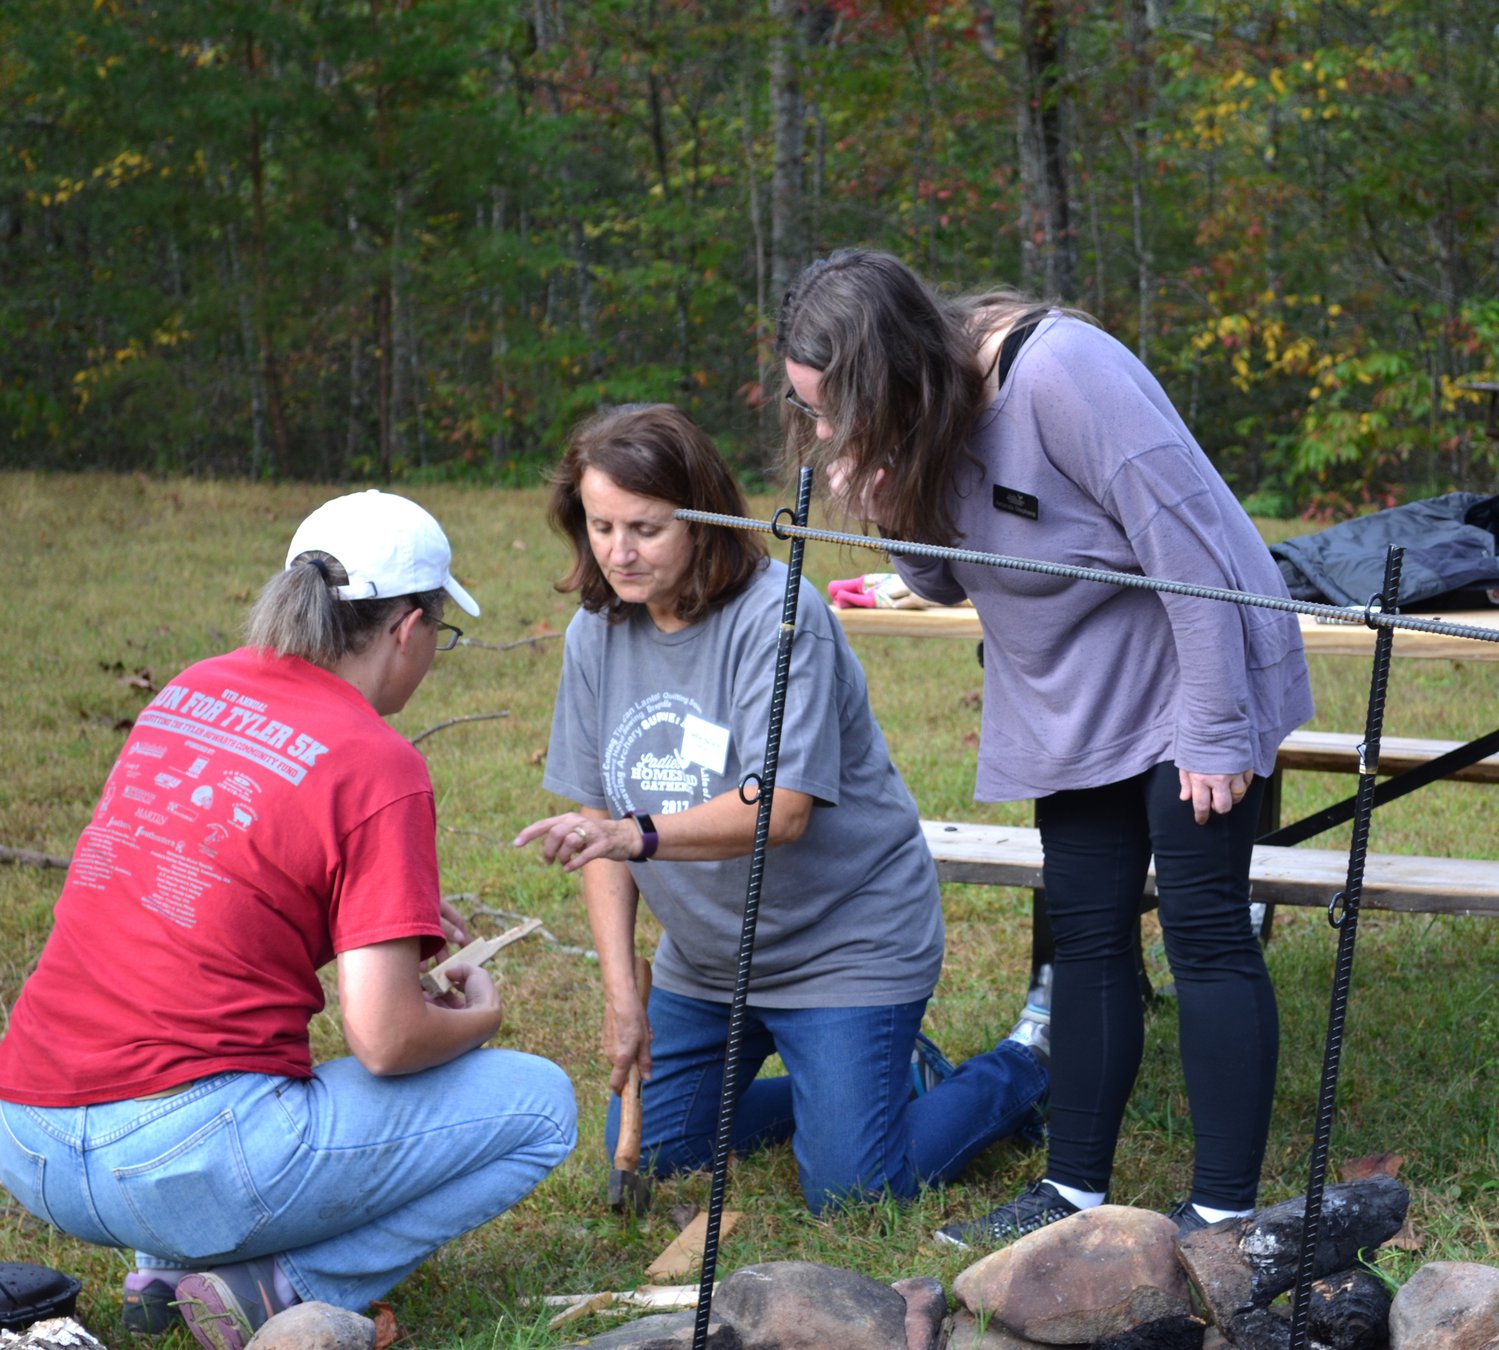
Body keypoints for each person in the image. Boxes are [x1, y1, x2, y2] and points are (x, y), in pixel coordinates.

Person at [775, 249, 1314, 1247]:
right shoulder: (920, 421)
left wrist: (1213, 728)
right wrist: (886, 504)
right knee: (1085, 932)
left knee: (1201, 928)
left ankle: (1221, 1213)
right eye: (809, 413)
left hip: (1191, 669)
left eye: (831, 411)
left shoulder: (1061, 374)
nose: (821, 434)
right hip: (1070, 695)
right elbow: (943, 580)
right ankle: (1071, 1191)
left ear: (892, 372)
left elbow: (1192, 550)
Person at [0, 490, 577, 1349]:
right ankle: (280, 1286)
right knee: (542, 1106)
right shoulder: (377, 762)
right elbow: (386, 1039)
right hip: (177, 1159)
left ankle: (163, 1274)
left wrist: (366, 907)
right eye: (441, 635)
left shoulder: (195, 688)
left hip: (29, 1134)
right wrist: (479, 1019)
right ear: (408, 628)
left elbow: (193, 886)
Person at [513, 402, 1047, 1216]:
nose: (619, 552)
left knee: (852, 1194)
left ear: (704, 519)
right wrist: (623, 995)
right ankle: (872, 1087)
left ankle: (1025, 1061)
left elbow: (781, 809)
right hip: (706, 963)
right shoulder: (595, 632)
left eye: (646, 529)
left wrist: (631, 833)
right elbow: (598, 828)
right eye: (601, 526)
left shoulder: (779, 617)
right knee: (661, 1150)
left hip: (843, 944)